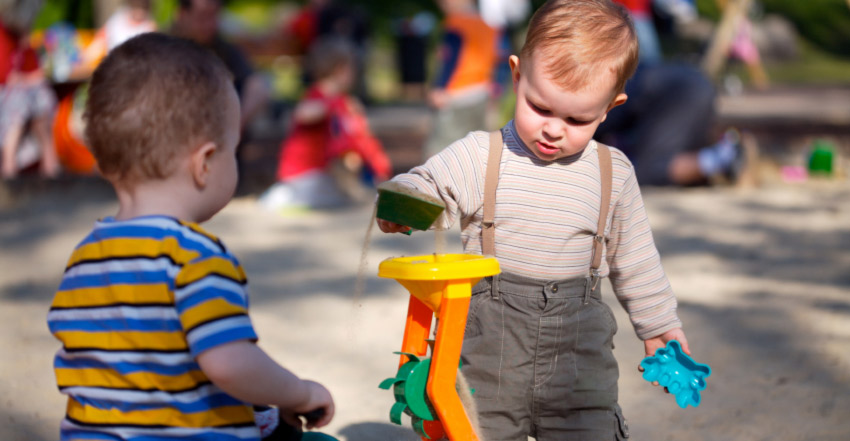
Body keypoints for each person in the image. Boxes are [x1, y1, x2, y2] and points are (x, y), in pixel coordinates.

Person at [377, 1, 689, 439]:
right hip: (488, 353)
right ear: (517, 76)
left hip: (579, 360)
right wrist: (405, 203)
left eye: (578, 118)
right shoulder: (481, 154)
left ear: (609, 108)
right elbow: (430, 183)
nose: (554, 129)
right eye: (540, 107)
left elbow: (636, 260)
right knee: (478, 429)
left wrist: (659, 326)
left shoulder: (613, 173)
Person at [46, 33, 334, 440]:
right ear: (205, 163)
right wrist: (300, 392)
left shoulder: (84, 259)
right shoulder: (194, 258)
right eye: (232, 150)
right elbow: (230, 363)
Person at [596, 0, 745, 186]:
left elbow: (596, 124)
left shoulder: (601, 92)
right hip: (694, 81)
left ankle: (722, 157)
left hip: (681, 93)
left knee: (648, 170)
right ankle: (720, 154)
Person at [259, 38, 391, 212]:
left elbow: (357, 137)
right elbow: (302, 113)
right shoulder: (318, 98)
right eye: (350, 69)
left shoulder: (343, 102)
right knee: (327, 195)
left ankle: (297, 194)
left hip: (323, 171)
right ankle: (284, 195)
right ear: (340, 69)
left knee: (343, 194)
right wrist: (331, 108)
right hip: (303, 173)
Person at [173, 0, 269, 132]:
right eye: (203, 17)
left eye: (214, 16)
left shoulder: (222, 48)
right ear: (182, 14)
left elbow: (258, 86)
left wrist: (237, 123)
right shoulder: (161, 48)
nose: (209, 24)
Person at [424, 0, 498, 159]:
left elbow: (450, 59)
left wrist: (440, 87)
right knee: (474, 148)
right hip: (480, 91)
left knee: (441, 149)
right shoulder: (487, 25)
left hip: (456, 93)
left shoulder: (456, 23)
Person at [0, 0, 59, 179]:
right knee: (22, 100)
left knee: (40, 97)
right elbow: (7, 78)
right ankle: (8, 165)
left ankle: (50, 162)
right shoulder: (3, 35)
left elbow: (35, 71)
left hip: (23, 98)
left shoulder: (19, 38)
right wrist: (29, 78)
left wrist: (26, 48)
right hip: (7, 98)